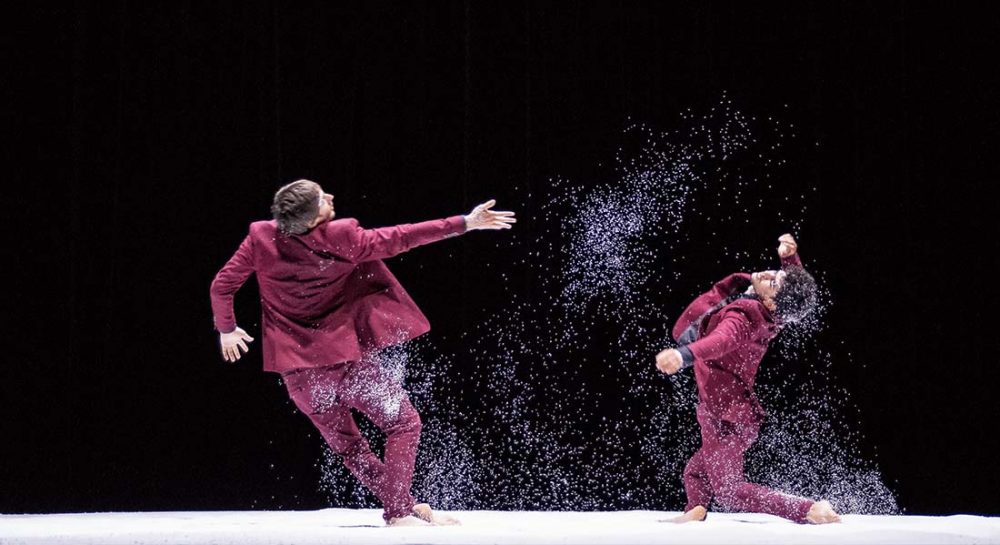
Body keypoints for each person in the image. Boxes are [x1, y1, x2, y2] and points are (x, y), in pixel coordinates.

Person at [210, 179, 515, 526]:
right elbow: (402, 237)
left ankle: (402, 504)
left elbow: (222, 285)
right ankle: (399, 511)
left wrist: (227, 329)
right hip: (344, 364)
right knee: (403, 423)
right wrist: (465, 222)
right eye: (323, 199)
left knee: (349, 447)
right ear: (312, 220)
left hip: (298, 373)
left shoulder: (261, 236)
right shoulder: (341, 236)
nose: (331, 197)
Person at [654, 234, 841, 525]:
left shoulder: (744, 319)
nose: (768, 275)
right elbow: (794, 294)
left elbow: (720, 341)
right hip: (737, 414)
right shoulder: (774, 314)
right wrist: (790, 260)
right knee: (695, 472)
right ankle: (695, 510)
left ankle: (808, 510)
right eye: (776, 275)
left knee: (729, 492)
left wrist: (684, 355)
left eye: (773, 282)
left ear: (771, 301)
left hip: (725, 418)